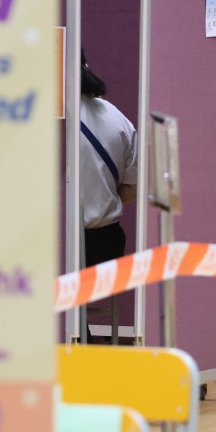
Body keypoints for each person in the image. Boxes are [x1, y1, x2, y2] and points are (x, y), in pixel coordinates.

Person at [79, 51, 138, 269]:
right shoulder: (116, 117)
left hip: (47, 245)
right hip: (104, 247)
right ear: (86, 65)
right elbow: (133, 189)